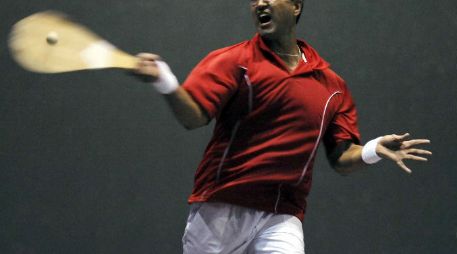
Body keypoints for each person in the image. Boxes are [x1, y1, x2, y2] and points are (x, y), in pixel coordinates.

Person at [132, 0, 432, 253]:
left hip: (283, 214)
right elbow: (193, 117)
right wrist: (165, 81)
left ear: (296, 7)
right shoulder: (232, 61)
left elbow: (340, 158)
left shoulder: (332, 87)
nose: (261, 3)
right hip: (222, 205)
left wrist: (372, 149)